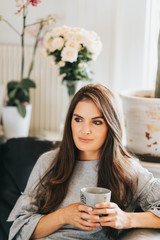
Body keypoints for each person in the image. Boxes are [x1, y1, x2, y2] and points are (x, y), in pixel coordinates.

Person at [8, 84, 160, 240]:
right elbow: (19, 230)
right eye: (78, 119)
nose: (84, 130)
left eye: (96, 122)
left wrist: (126, 219)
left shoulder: (127, 170)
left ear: (111, 126)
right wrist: (63, 216)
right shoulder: (49, 162)